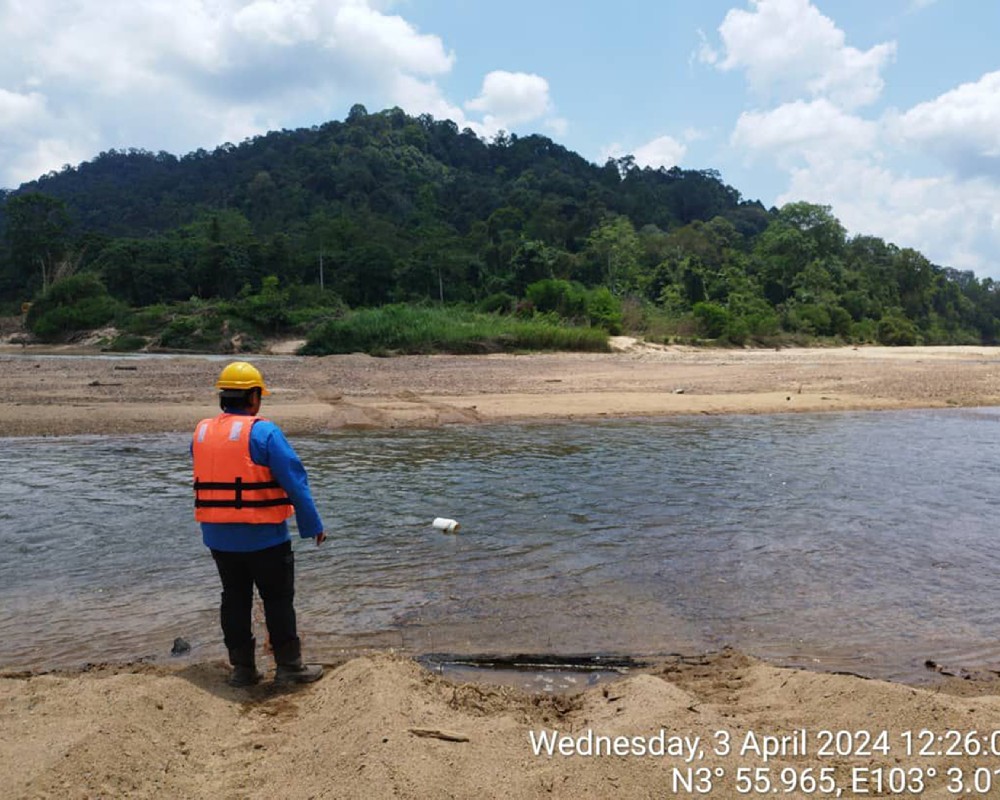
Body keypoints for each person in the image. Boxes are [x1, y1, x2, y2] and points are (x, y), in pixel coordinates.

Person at [192, 360, 326, 687]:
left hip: (218, 538)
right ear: (253, 397)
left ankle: (242, 669)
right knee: (277, 600)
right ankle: (289, 668)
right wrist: (312, 524)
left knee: (234, 598)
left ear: (223, 397)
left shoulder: (202, 432)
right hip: (265, 537)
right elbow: (295, 481)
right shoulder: (264, 432)